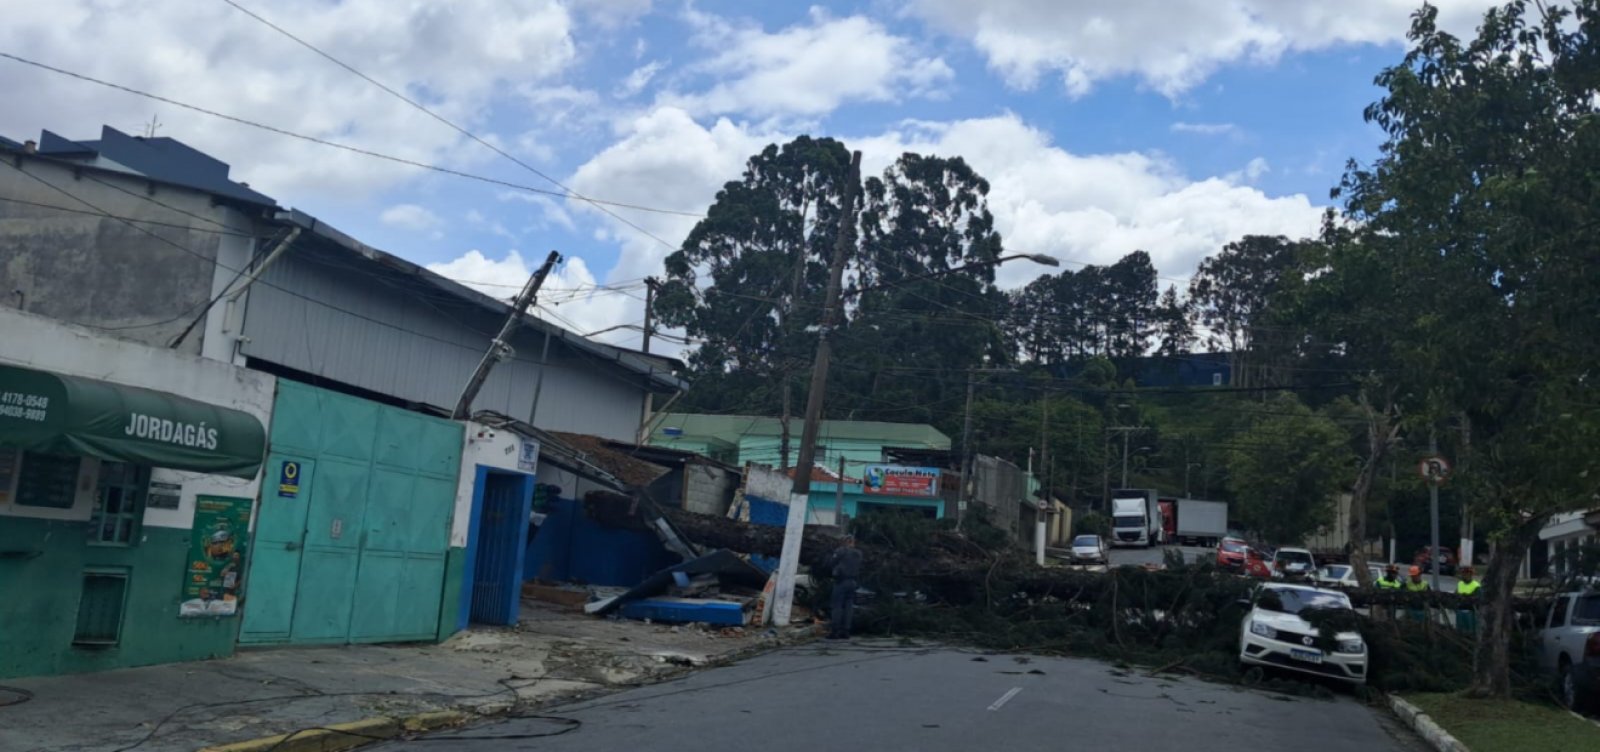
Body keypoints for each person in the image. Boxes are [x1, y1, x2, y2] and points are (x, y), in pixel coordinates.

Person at [825, 535, 863, 640]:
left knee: (837, 606)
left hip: (841, 581)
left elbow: (831, 563)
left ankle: (835, 631)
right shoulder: (859, 553)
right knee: (848, 606)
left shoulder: (841, 551)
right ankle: (846, 631)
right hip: (853, 582)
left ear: (845, 542)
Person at [1456, 565, 1480, 633]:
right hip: (1460, 611)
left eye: (1466, 573)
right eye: (1463, 573)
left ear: (1470, 574)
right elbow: (1455, 595)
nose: (1464, 575)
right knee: (1460, 631)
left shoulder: (1476, 586)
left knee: (1471, 632)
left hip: (1470, 613)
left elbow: (1478, 601)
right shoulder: (1460, 584)